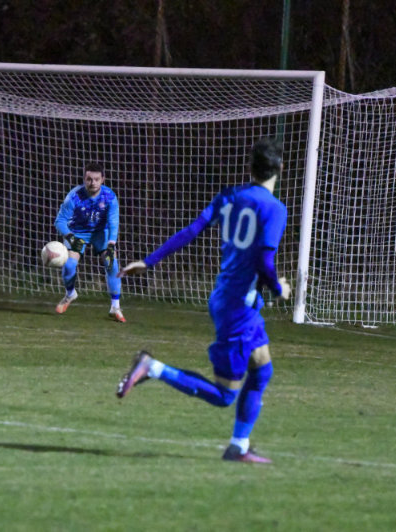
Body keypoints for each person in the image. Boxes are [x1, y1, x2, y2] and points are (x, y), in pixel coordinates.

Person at [115, 138, 291, 463]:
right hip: (238, 308)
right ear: (280, 168)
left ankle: (238, 447)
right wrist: (279, 288)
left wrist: (149, 261)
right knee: (225, 395)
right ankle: (153, 367)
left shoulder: (229, 197)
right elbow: (265, 262)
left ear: (250, 168)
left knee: (261, 370)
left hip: (230, 298)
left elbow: (191, 231)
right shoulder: (275, 209)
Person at [54, 162, 125, 322]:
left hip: (101, 233)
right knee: (69, 265)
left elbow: (113, 222)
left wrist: (111, 244)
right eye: (89, 179)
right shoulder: (74, 197)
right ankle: (70, 294)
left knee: (111, 263)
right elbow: (60, 221)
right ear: (84, 179)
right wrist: (70, 236)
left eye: (96, 179)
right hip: (78, 232)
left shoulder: (109, 197)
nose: (93, 183)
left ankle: (115, 306)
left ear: (103, 179)